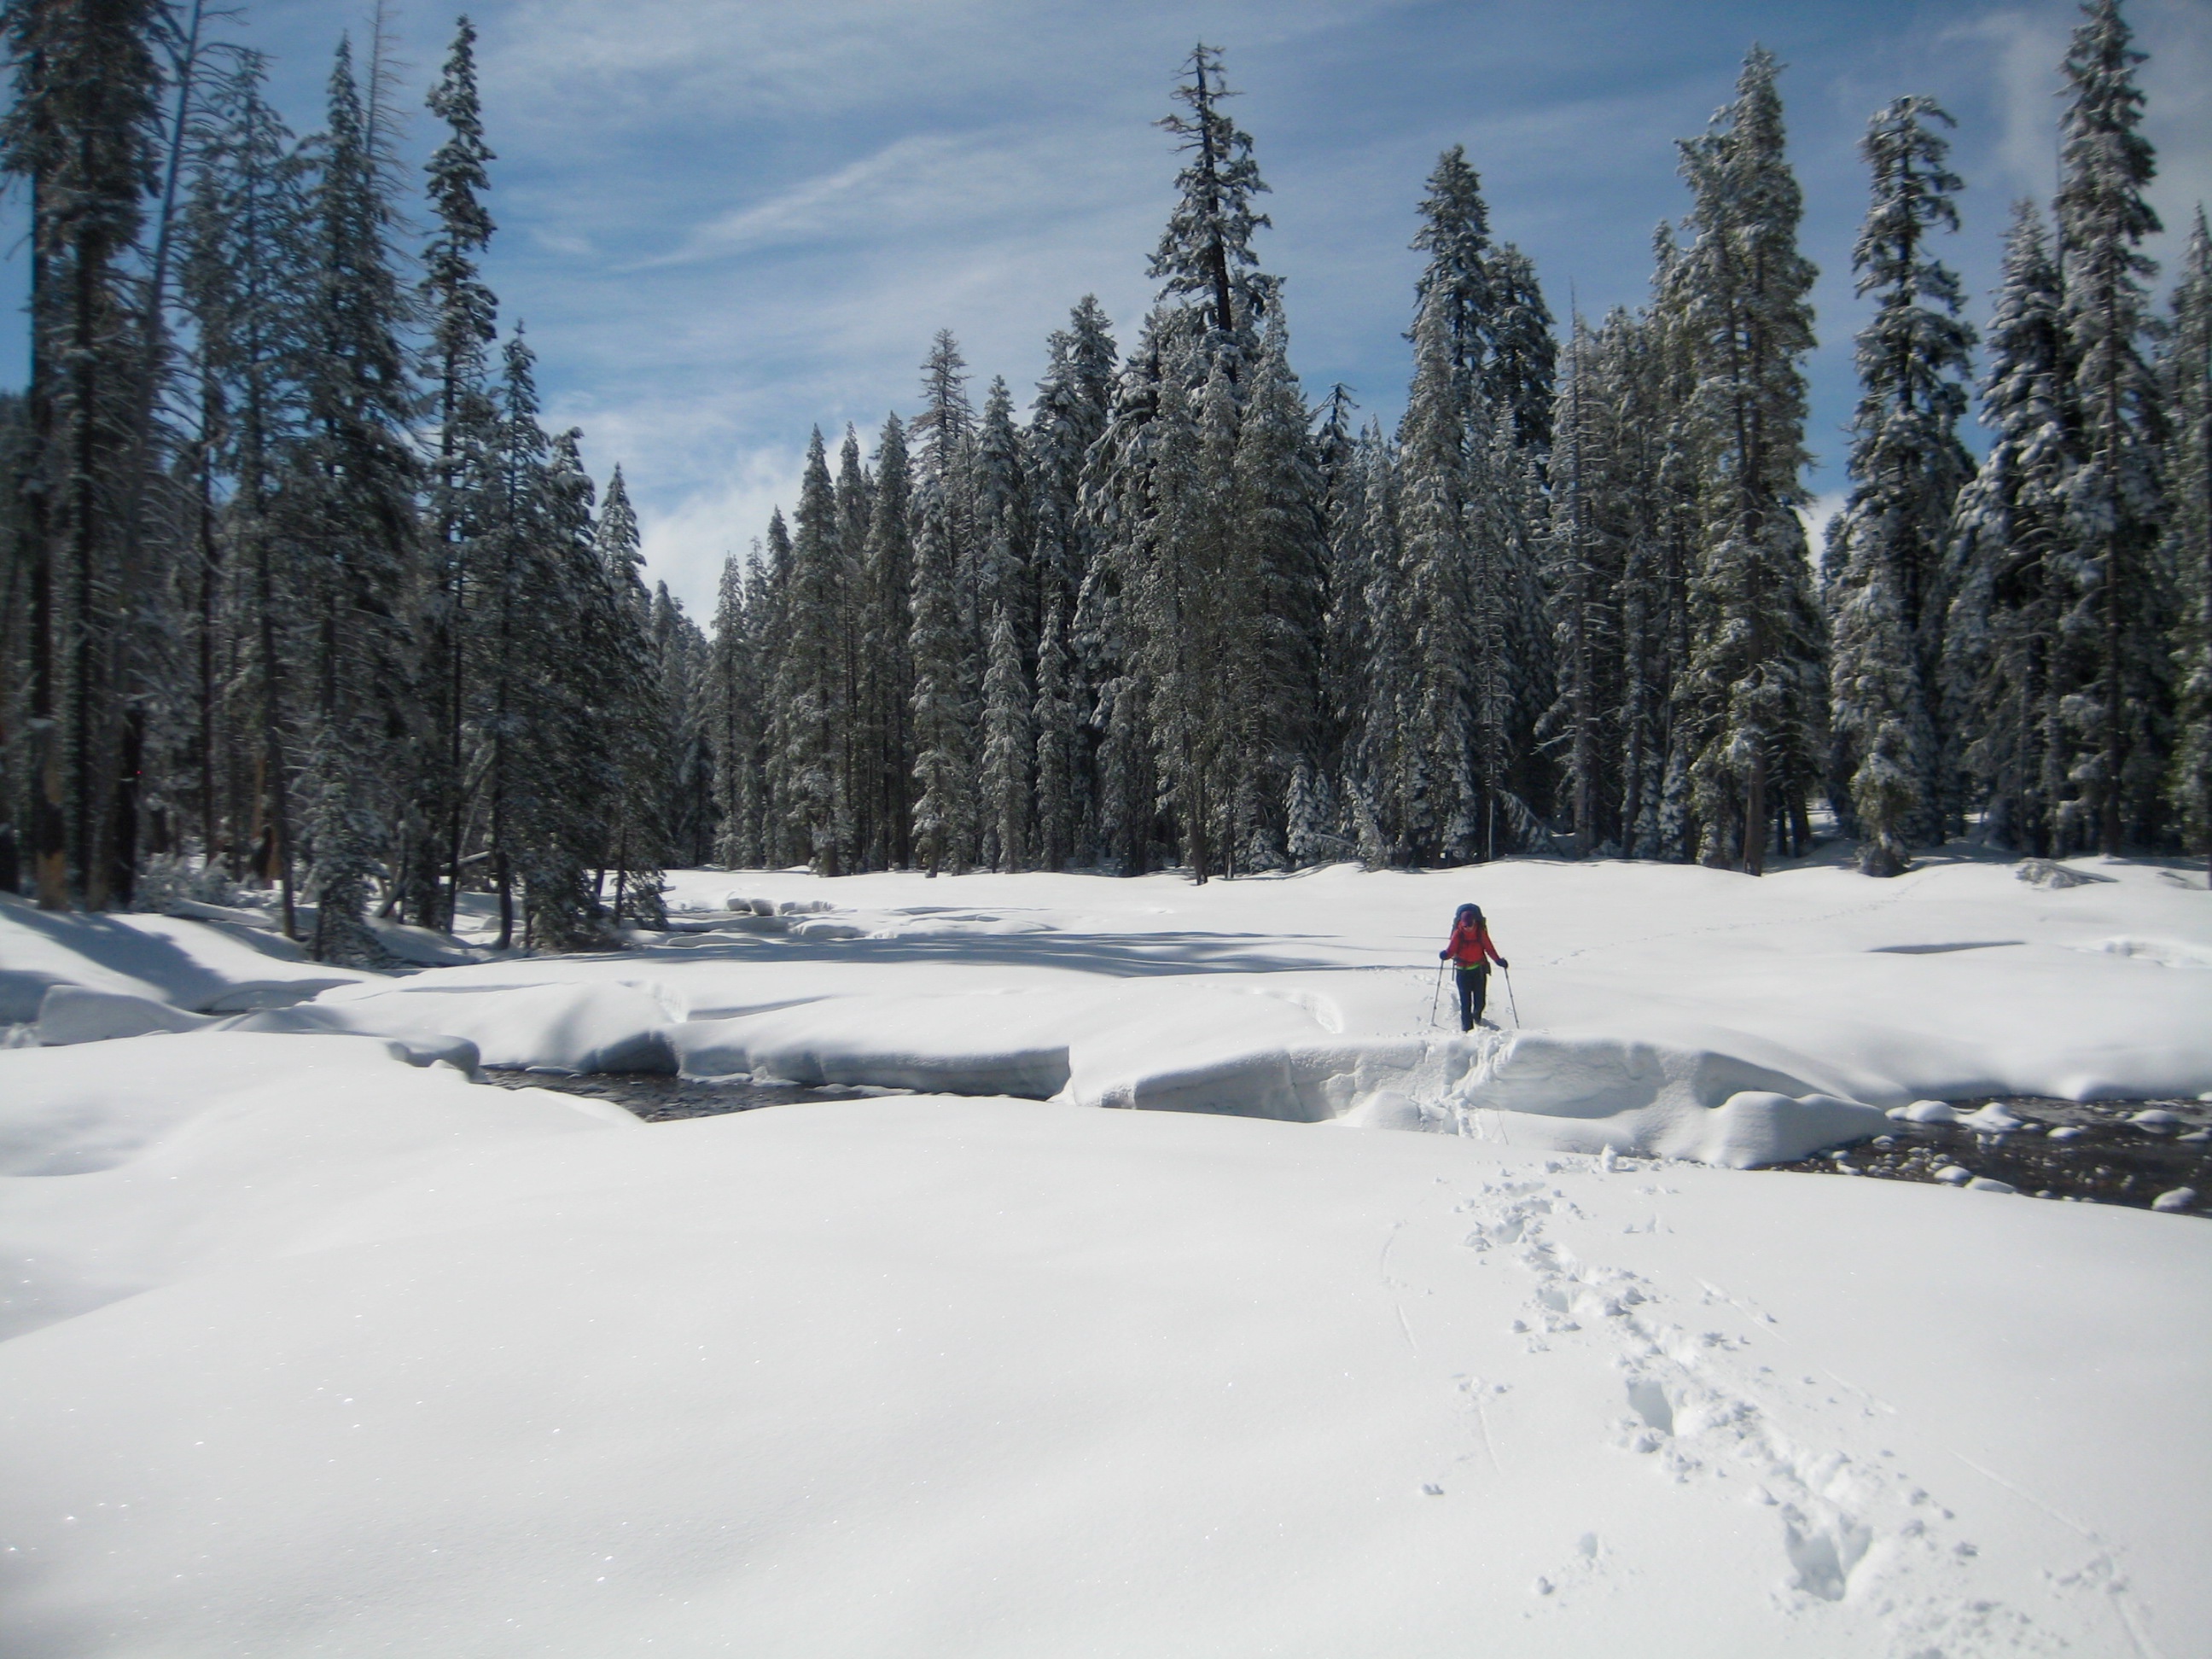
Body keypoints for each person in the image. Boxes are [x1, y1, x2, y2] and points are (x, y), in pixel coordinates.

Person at [1438, 902, 1508, 1032]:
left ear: (1474, 922)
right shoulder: (1458, 933)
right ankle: (1467, 1030)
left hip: (1479, 970)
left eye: (1470, 925)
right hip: (1462, 971)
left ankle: (1477, 1017)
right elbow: (1451, 950)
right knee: (1465, 1003)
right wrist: (1445, 955)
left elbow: (1489, 948)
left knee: (1480, 1002)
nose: (1468, 928)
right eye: (1465, 926)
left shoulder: (1480, 933)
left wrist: (1498, 960)